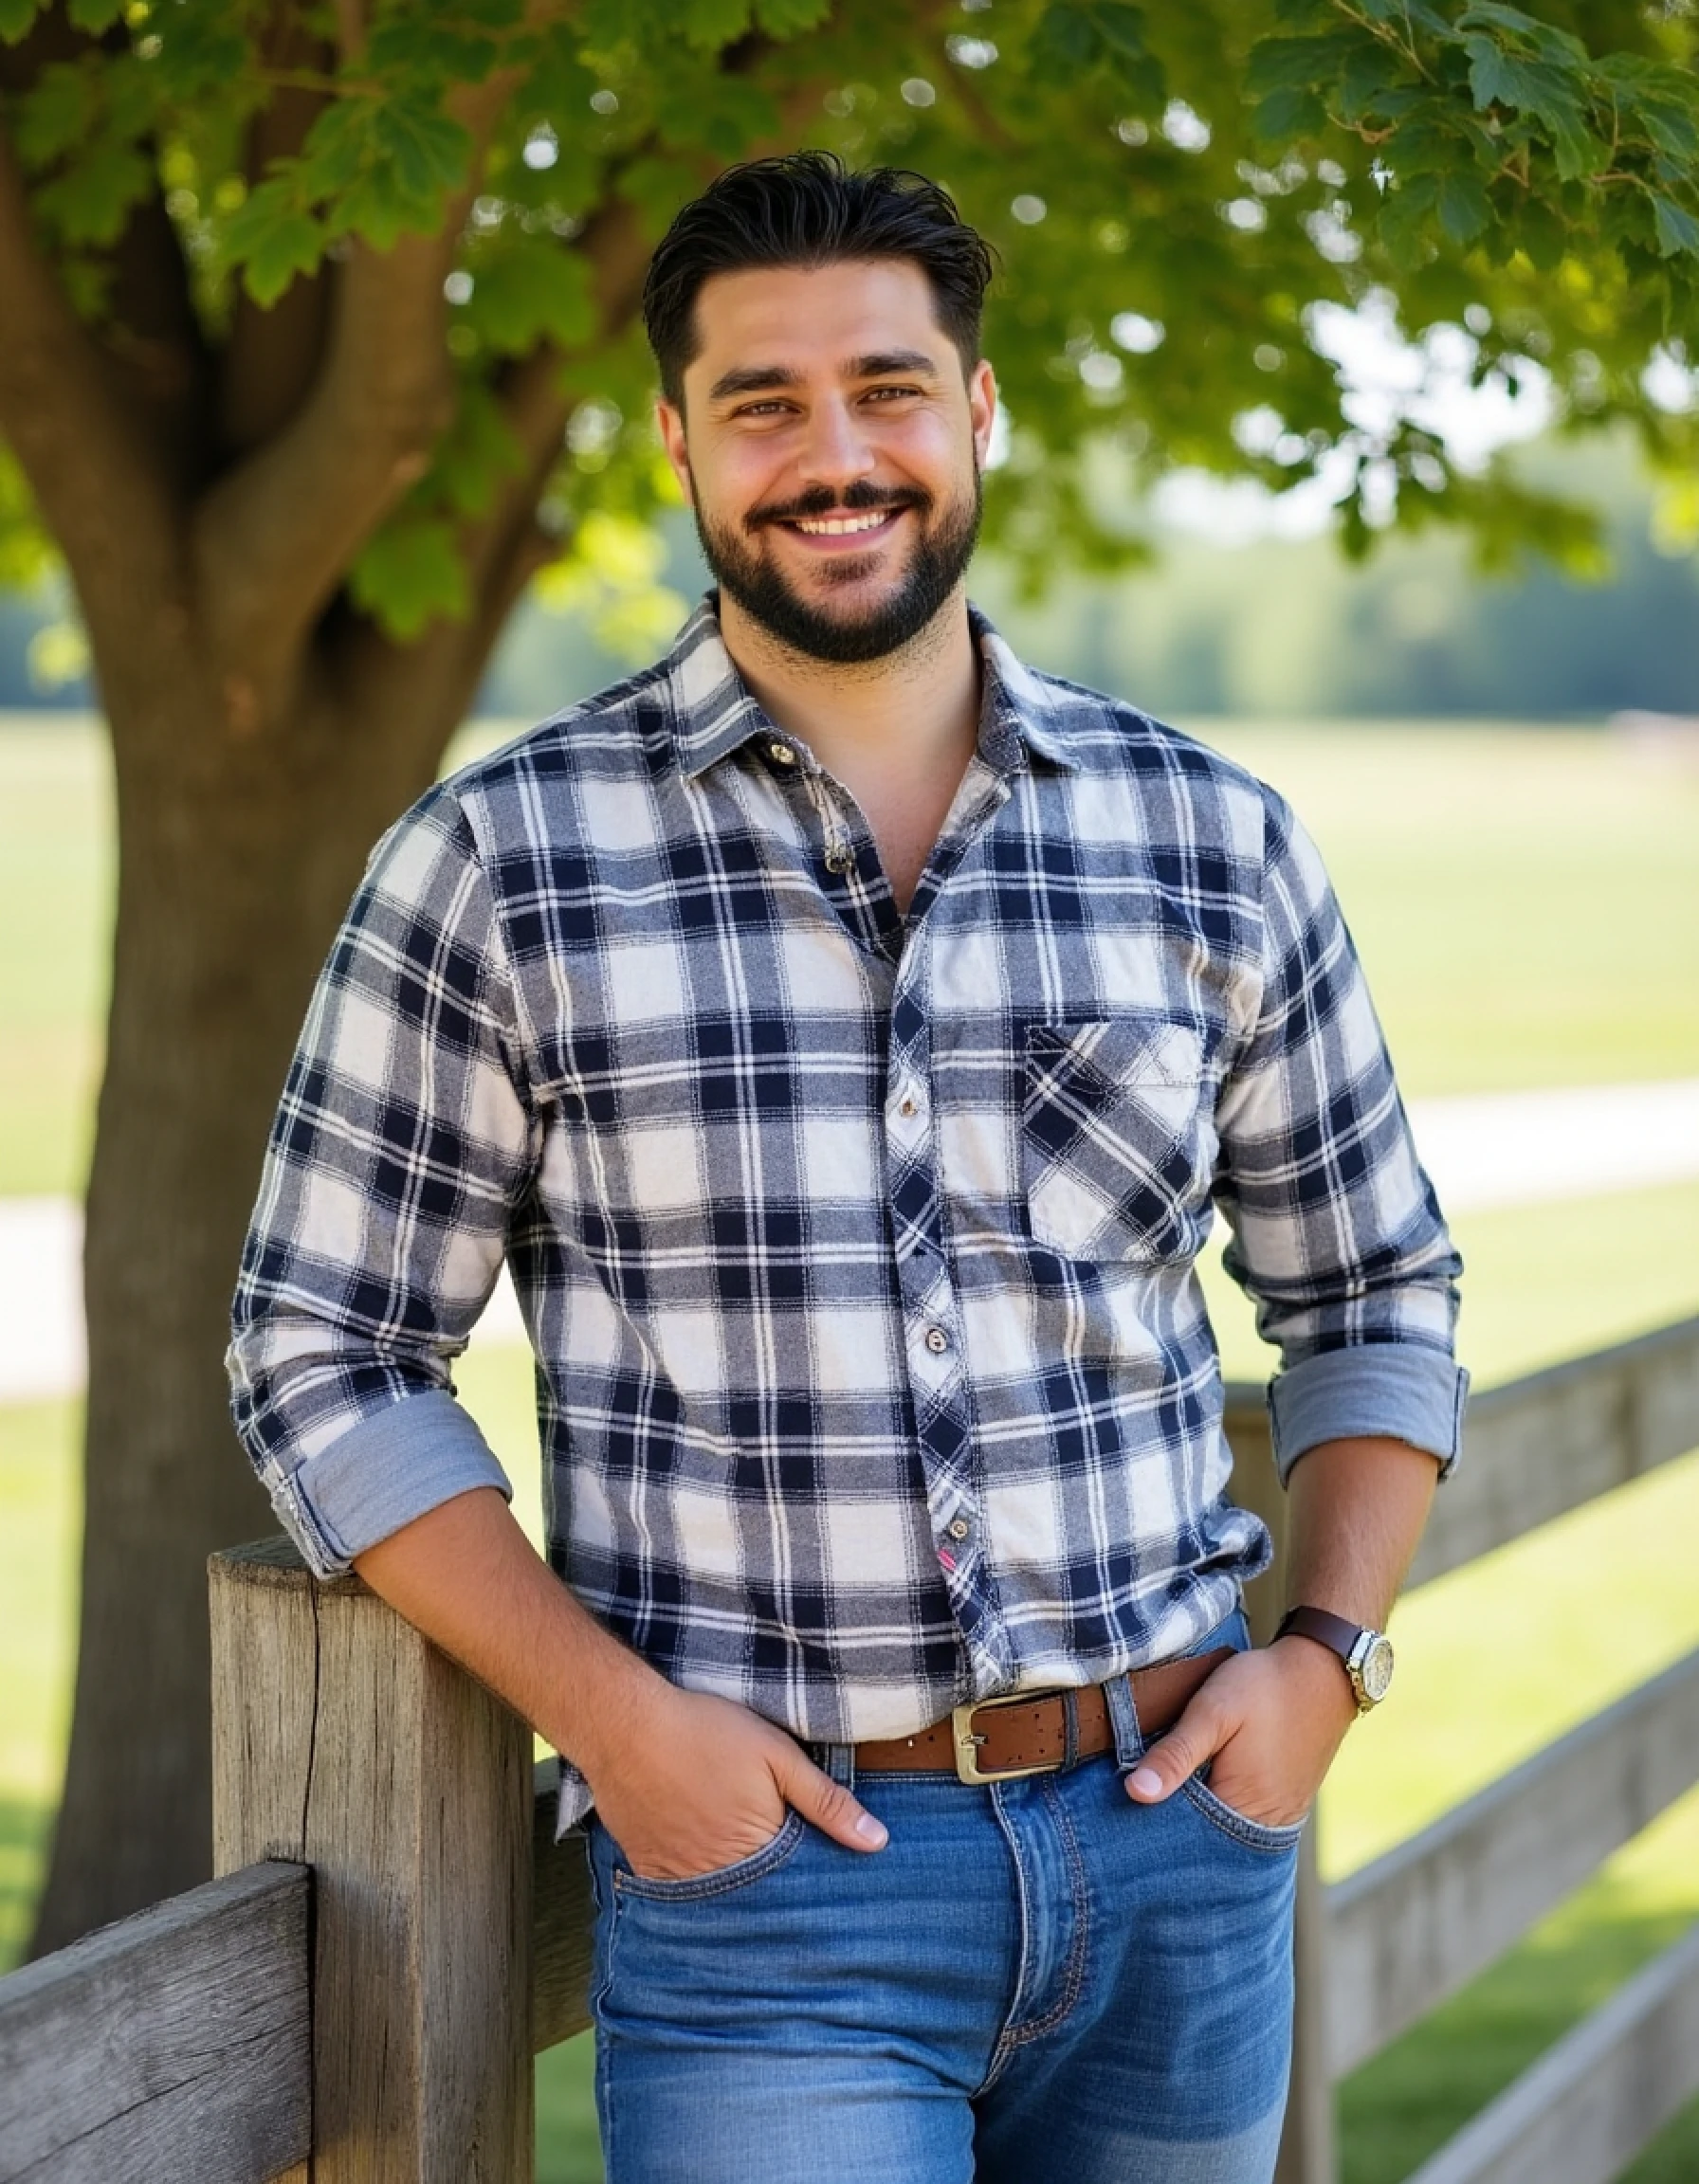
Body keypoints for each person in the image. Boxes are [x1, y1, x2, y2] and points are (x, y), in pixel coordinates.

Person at [228, 153, 1466, 2184]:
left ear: (975, 410)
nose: (834, 456)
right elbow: (323, 1354)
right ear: (676, 441)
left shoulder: (1206, 838)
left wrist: (1321, 1668)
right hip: (773, 1887)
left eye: (886, 389)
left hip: (1176, 1852)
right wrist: (615, 1728)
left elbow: (1369, 1295)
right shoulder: (498, 863)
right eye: (764, 404)